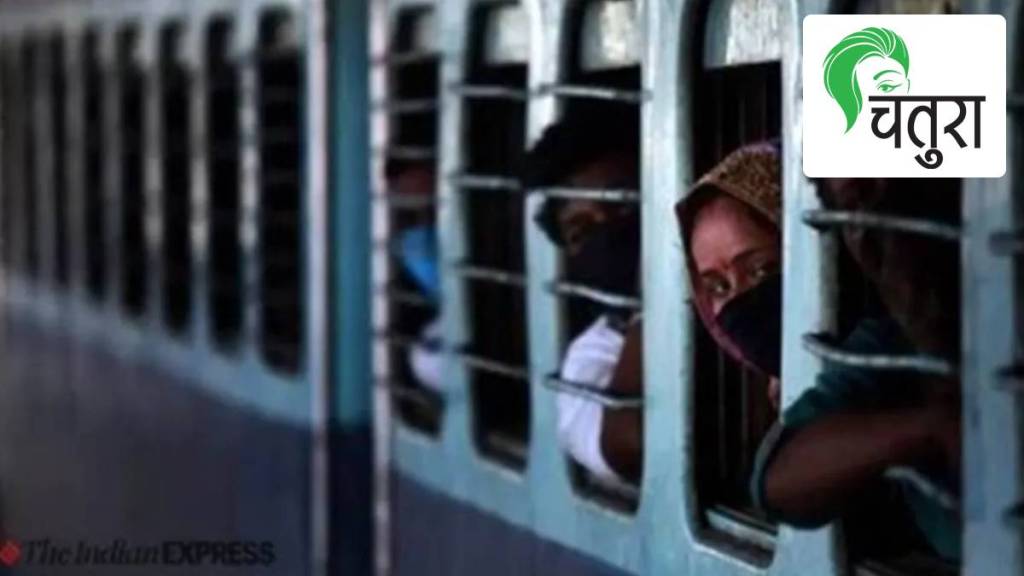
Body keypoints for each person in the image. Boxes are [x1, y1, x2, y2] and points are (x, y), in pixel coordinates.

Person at [675, 141, 962, 561]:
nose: (876, 232)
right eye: (718, 286)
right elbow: (778, 482)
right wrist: (936, 425)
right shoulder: (887, 343)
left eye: (763, 269)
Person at [522, 108, 643, 485]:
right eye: (582, 229)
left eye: (622, 204)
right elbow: (637, 442)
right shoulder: (591, 357)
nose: (608, 233)